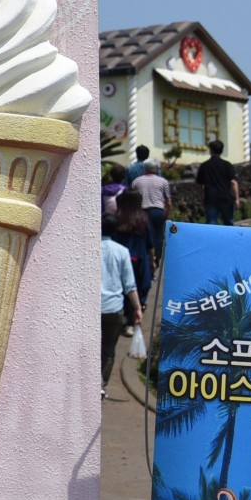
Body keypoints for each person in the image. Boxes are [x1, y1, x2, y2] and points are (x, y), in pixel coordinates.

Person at [101, 213, 141, 397]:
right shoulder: (122, 251)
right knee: (108, 350)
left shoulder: (88, 249)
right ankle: (101, 384)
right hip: (113, 307)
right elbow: (129, 285)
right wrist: (137, 308)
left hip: (91, 309)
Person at [128, 156, 172, 261]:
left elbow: (131, 197)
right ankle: (158, 259)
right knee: (159, 236)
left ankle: (147, 259)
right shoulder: (163, 181)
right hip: (158, 211)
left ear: (145, 169)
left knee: (145, 236)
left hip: (142, 211)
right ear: (156, 170)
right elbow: (168, 201)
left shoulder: (137, 181)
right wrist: (166, 213)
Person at [195, 138, 239, 225]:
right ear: (221, 151)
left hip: (210, 198)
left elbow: (199, 184)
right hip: (225, 197)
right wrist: (237, 198)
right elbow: (233, 182)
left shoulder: (204, 166)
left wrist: (201, 197)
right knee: (229, 222)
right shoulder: (227, 165)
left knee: (211, 223)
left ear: (211, 150)